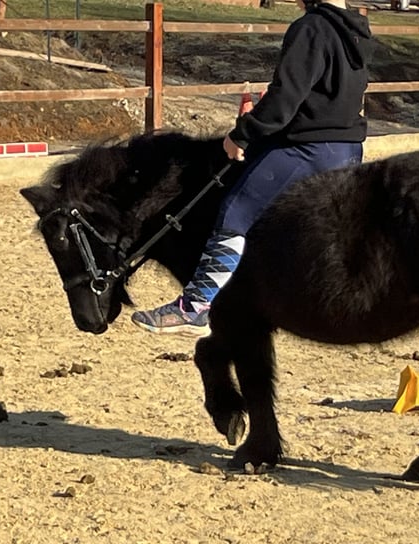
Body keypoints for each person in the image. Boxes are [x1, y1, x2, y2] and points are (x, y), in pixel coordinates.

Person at [132, 0, 374, 335]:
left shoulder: (310, 28)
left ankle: (195, 306)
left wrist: (242, 135)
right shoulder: (357, 31)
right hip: (348, 148)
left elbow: (284, 98)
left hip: (310, 148)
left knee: (236, 211)